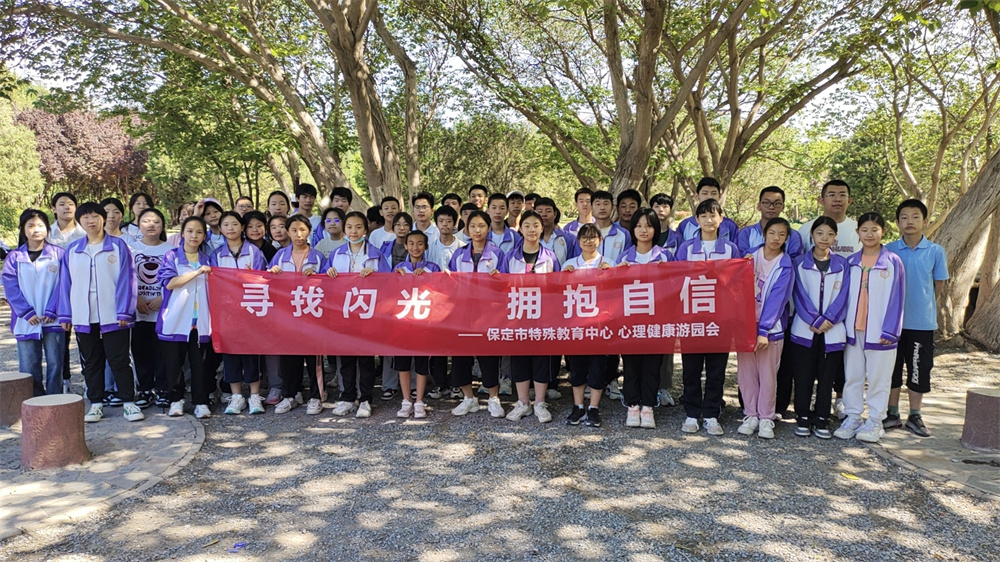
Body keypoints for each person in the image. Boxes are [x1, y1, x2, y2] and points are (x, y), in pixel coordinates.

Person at [59, 202, 143, 423]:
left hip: (114, 314)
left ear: (103, 218)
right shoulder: (73, 250)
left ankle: (129, 402)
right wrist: (65, 314)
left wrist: (125, 311)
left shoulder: (118, 246)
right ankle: (96, 403)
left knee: (119, 359)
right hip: (83, 315)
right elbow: (65, 284)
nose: (91, 221)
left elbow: (128, 279)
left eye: (95, 216)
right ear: (80, 221)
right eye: (85, 217)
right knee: (91, 361)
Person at [834, 212, 905, 443]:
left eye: (875, 229)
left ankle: (875, 420)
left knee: (878, 378)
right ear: (858, 233)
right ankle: (853, 416)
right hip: (853, 330)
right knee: (852, 376)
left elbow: (897, 297)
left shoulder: (892, 261)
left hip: (881, 331)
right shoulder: (851, 262)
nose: (869, 234)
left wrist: (891, 331)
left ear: (883, 231)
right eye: (864, 230)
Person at [675, 199, 741, 436]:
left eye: (713, 215)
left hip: (720, 318)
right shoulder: (686, 248)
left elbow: (738, 282)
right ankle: (692, 413)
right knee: (691, 369)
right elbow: (675, 279)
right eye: (703, 216)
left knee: (716, 369)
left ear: (721, 218)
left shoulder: (731, 249)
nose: (709, 220)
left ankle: (712, 414)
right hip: (691, 317)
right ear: (697, 220)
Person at [884, 199, 949, 437]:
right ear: (897, 222)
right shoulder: (888, 250)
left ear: (925, 221)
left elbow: (938, 285)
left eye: (915, 217)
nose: (909, 221)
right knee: (892, 369)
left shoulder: (935, 251)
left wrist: (924, 305)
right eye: (904, 217)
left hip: (921, 322)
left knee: (918, 369)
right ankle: (892, 413)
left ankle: (915, 415)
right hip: (892, 323)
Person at [325, 212, 390, 418]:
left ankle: (365, 399)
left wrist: (375, 275)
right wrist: (328, 273)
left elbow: (389, 282)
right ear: (344, 230)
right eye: (350, 227)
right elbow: (323, 281)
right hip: (343, 314)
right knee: (346, 359)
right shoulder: (336, 254)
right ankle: (347, 397)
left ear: (365, 230)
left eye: (358, 227)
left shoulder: (375, 254)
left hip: (366, 315)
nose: (354, 231)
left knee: (365, 359)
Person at [789, 217, 849, 439]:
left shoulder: (842, 264)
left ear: (835, 237)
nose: (825, 238)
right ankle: (803, 416)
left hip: (833, 330)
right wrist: (814, 320)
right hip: (804, 329)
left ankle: (822, 417)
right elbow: (798, 294)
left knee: (827, 377)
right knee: (803, 376)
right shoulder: (798, 263)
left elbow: (844, 296)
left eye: (830, 234)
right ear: (812, 235)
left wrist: (829, 319)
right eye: (820, 233)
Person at [735, 218, 794, 439]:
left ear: (787, 238)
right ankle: (750, 414)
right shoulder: (748, 257)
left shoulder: (785, 265)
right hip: (744, 325)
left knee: (768, 375)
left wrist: (764, 330)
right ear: (764, 234)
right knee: (746, 373)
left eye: (781, 234)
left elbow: (778, 300)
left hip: (770, 329)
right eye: (772, 233)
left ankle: (766, 417)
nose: (776, 238)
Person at [502, 211, 561, 423]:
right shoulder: (510, 257)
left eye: (536, 225)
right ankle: (523, 402)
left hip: (543, 317)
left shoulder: (550, 257)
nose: (531, 230)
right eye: (527, 225)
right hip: (517, 317)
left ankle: (540, 403)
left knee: (541, 359)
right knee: (519, 359)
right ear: (521, 229)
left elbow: (558, 287)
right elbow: (501, 287)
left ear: (541, 228)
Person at [617, 209, 672, 428]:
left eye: (648, 226)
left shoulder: (665, 256)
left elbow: (675, 285)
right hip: (630, 321)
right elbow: (612, 289)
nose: (643, 230)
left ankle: (648, 406)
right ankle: (632, 405)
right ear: (632, 229)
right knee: (631, 364)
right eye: (638, 226)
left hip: (657, 320)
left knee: (652, 364)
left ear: (655, 229)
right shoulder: (624, 257)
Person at [2, 209, 66, 396]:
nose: (36, 229)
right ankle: (35, 400)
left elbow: (64, 285)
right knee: (29, 365)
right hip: (26, 320)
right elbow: (11, 288)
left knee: (56, 363)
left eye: (40, 225)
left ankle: (55, 399)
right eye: (30, 226)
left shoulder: (59, 254)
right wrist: (26, 312)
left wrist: (53, 309)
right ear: (23, 229)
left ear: (47, 228)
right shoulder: (14, 257)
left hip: (53, 319)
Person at [268, 215, 327, 415]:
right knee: (288, 357)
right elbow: (267, 282)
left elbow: (330, 284)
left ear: (309, 231)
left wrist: (317, 278)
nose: (298, 234)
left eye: (302, 230)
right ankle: (289, 395)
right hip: (287, 315)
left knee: (313, 358)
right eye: (294, 230)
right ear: (288, 232)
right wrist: (272, 273)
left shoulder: (317, 257)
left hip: (311, 314)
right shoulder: (280, 256)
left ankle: (316, 397)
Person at [448, 211, 505, 417]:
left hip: (488, 313)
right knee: (460, 356)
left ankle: (493, 398)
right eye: (472, 226)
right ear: (467, 229)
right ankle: (468, 398)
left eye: (481, 226)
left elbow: (506, 284)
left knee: (488, 355)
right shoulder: (459, 254)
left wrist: (499, 278)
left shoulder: (497, 254)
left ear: (488, 228)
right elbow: (449, 283)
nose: (477, 230)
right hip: (462, 313)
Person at [157, 216, 214, 419]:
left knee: (201, 366)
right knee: (174, 364)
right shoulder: (172, 256)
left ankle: (201, 402)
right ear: (182, 234)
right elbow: (170, 283)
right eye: (190, 231)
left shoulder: (208, 259)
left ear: (204, 236)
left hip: (201, 322)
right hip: (176, 319)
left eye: (199, 232)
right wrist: (197, 272)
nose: (194, 235)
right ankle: (176, 400)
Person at [212, 211, 268, 415]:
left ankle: (254, 395)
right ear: (220, 228)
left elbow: (263, 279)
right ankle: (236, 396)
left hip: (251, 310)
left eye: (234, 224)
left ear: (242, 227)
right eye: (226, 225)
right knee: (231, 353)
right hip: (227, 313)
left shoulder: (254, 251)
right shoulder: (217, 255)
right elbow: (214, 283)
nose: (230, 228)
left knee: (252, 352)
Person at [562, 223, 612, 427]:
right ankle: (578, 406)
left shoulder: (608, 263)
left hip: (600, 326)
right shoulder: (570, 264)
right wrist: (565, 275)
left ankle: (594, 408)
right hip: (576, 326)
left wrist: (611, 274)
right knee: (577, 368)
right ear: (578, 241)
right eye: (584, 237)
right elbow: (559, 293)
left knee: (598, 368)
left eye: (593, 237)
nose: (589, 241)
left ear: (600, 240)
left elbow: (618, 292)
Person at [393, 230, 441, 419]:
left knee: (422, 364)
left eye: (420, 243)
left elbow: (440, 292)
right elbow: (389, 291)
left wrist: (427, 278)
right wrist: (397, 277)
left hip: (424, 325)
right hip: (402, 324)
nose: (415, 247)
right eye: (411, 243)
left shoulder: (433, 268)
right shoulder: (398, 268)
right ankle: (406, 400)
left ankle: (419, 400)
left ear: (426, 246)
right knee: (403, 364)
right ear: (405, 246)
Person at [130, 208, 172, 408]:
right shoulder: (130, 249)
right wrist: (136, 297)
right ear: (138, 225)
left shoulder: (170, 250)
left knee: (163, 353)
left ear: (162, 226)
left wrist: (162, 298)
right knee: (141, 352)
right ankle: (144, 389)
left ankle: (163, 389)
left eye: (156, 221)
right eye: (146, 221)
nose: (151, 225)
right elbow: (124, 277)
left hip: (163, 312)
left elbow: (175, 278)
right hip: (138, 312)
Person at [47, 192, 85, 392]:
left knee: (86, 338)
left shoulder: (85, 232)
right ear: (53, 208)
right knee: (60, 338)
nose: (67, 207)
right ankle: (64, 381)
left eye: (71, 204)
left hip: (82, 291)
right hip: (55, 293)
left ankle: (90, 381)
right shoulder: (47, 233)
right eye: (62, 204)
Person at [737, 186, 804, 258]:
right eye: (766, 203)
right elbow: (739, 259)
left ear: (783, 207)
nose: (771, 207)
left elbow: (796, 261)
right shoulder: (746, 233)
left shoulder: (793, 235)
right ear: (759, 206)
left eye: (777, 203)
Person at [798, 180, 860, 257]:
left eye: (842, 195)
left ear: (849, 201)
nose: (837, 199)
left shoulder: (860, 229)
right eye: (832, 195)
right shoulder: (806, 229)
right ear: (821, 200)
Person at [590, 190, 632, 265]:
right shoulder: (585, 233)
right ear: (591, 207)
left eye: (606, 204)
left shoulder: (624, 234)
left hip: (616, 272)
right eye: (598, 204)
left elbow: (627, 260)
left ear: (612, 207)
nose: (602, 207)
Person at [534, 197, 578, 265]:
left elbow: (573, 263)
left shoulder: (568, 239)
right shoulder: (528, 238)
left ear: (555, 214)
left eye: (548, 211)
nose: (544, 214)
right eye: (540, 211)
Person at [428, 205, 466, 272]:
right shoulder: (429, 249)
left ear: (454, 224)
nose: (445, 224)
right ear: (436, 224)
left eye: (449, 221)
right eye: (441, 221)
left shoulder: (463, 248)